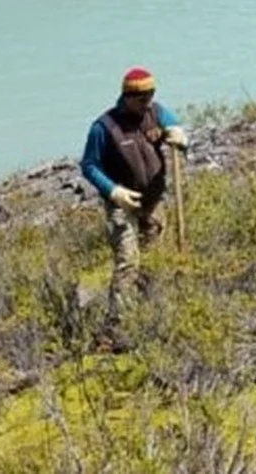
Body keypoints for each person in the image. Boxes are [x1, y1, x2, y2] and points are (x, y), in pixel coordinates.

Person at [80, 67, 187, 332]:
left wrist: (179, 137)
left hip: (153, 200)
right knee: (129, 261)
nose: (147, 102)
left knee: (154, 259)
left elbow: (175, 127)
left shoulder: (156, 113)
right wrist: (113, 191)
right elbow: (89, 165)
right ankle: (120, 325)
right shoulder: (104, 127)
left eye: (151, 95)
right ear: (127, 96)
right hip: (122, 204)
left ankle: (150, 313)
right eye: (141, 98)